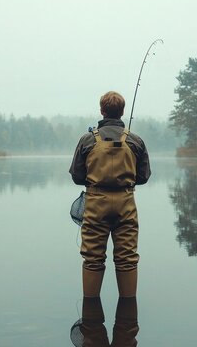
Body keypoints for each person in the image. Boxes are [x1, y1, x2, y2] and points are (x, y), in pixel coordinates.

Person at [69, 91, 150, 299]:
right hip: (126, 204)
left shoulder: (87, 140)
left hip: (96, 204)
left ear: (102, 110)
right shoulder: (135, 140)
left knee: (93, 259)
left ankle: (91, 311)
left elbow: (77, 177)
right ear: (122, 112)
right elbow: (143, 177)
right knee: (127, 259)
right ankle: (128, 313)